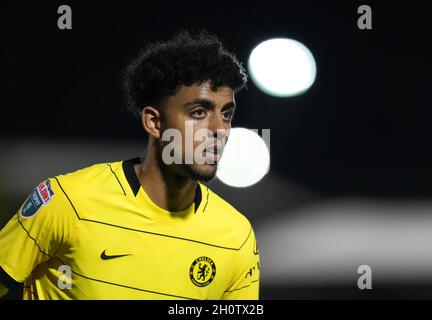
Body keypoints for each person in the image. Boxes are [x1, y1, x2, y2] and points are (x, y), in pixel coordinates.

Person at [0, 30, 260, 300]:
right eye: (198, 113)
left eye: (226, 114)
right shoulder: (68, 202)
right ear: (154, 122)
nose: (219, 129)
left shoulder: (236, 237)